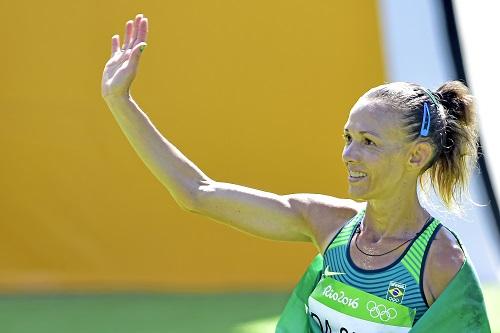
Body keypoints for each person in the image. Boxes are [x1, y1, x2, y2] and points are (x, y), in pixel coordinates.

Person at [102, 14, 490, 333]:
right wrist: (121, 101)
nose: (349, 154)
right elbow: (196, 192)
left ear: (416, 155)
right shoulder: (327, 224)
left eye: (369, 142)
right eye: (348, 137)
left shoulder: (442, 262)